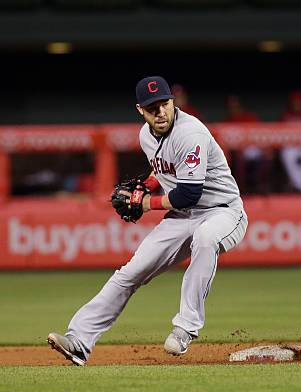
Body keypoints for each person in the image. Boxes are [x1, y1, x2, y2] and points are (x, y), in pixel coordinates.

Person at [47, 76, 248, 366]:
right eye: (152, 107)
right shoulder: (145, 136)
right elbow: (165, 169)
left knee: (205, 239)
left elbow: (189, 193)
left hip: (223, 211)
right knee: (131, 272)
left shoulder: (190, 133)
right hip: (183, 217)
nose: (160, 112)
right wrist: (149, 184)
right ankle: (79, 340)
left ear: (172, 102)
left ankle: (185, 328)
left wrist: (145, 202)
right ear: (140, 109)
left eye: (164, 104)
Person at [224, 95, 272, 194]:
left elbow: (261, 134)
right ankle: (243, 189)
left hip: (253, 147)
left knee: (267, 156)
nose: (234, 108)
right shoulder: (228, 120)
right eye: (231, 106)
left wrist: (264, 148)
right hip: (239, 150)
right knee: (238, 160)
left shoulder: (250, 116)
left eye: (236, 106)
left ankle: (260, 187)